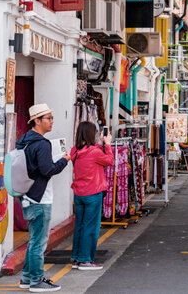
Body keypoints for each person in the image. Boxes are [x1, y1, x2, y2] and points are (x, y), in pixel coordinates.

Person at [17, 104, 70, 292]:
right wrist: (64, 160)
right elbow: (47, 170)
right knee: (38, 242)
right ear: (37, 121)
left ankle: (26, 278)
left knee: (33, 240)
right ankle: (37, 281)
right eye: (48, 118)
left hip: (27, 195)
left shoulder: (24, 141)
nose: (52, 121)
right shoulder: (42, 144)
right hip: (40, 198)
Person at [69, 122, 114, 271]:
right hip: (93, 193)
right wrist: (107, 144)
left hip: (79, 194)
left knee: (80, 227)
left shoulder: (74, 151)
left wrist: (101, 143)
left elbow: (92, 152)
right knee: (91, 228)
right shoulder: (94, 152)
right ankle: (85, 260)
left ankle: (76, 258)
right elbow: (109, 161)